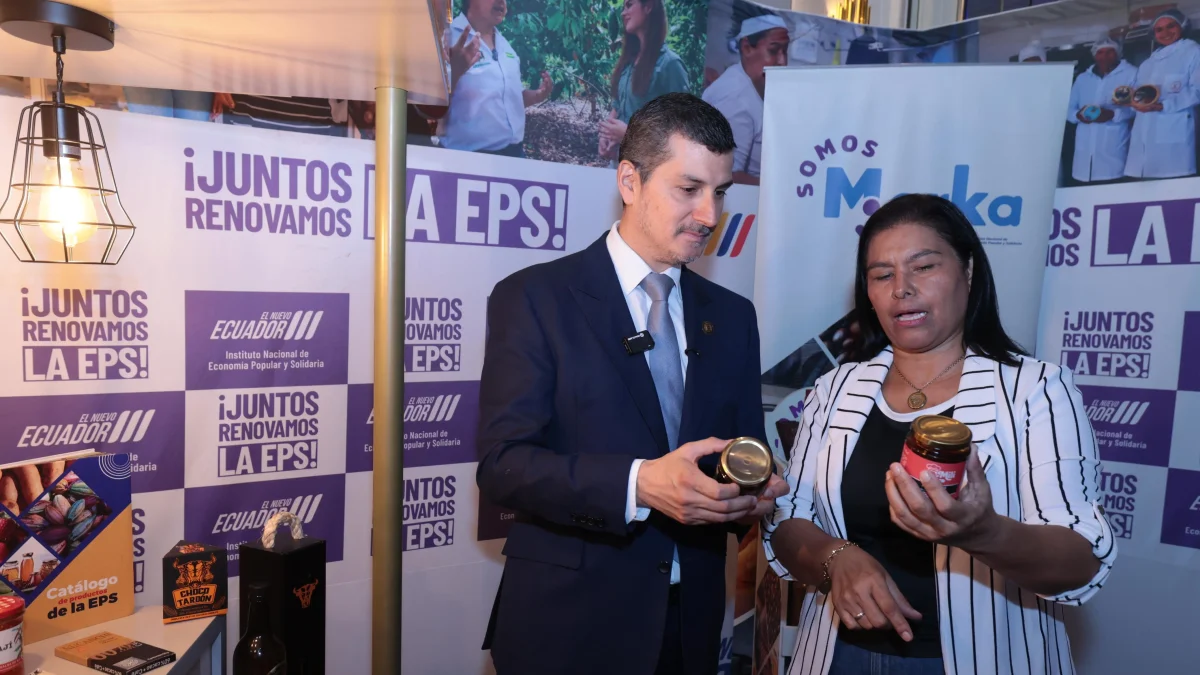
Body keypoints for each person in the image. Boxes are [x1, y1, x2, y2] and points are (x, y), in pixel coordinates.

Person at [477, 92, 788, 675]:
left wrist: (753, 492)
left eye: (720, 192)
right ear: (629, 180)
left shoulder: (733, 316)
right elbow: (503, 465)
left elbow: (744, 451)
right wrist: (639, 484)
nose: (710, 215)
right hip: (565, 629)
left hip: (688, 628)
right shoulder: (535, 299)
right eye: (688, 189)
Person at [761, 194, 1117, 675]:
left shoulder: (1035, 391)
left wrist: (984, 532)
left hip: (989, 660)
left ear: (967, 272)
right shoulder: (834, 389)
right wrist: (834, 557)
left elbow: (1081, 560)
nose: (901, 290)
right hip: (836, 657)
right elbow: (787, 520)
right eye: (882, 275)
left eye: (923, 267)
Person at [442, 0, 553, 157]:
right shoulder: (448, 40)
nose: (502, 2)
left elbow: (505, 100)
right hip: (467, 161)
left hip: (514, 155)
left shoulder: (506, 47)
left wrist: (536, 96)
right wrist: (455, 73)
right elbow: (429, 107)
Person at [701, 8, 789, 185]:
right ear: (747, 47)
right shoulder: (735, 99)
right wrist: (781, 188)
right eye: (773, 51)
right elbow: (727, 176)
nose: (782, 61)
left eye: (785, 50)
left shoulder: (751, 82)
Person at [599, 0, 690, 162]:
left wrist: (629, 134)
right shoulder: (629, 60)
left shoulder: (670, 65)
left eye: (629, 5)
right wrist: (605, 137)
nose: (623, 13)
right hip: (620, 165)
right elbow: (618, 106)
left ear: (648, 7)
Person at [1124, 9, 1200, 179]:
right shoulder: (1148, 62)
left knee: (1174, 186)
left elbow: (1197, 90)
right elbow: (1138, 94)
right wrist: (1132, 102)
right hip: (1143, 136)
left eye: (1171, 26)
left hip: (1174, 133)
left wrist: (1163, 105)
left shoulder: (1193, 51)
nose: (1165, 33)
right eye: (1159, 29)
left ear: (1182, 26)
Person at [1066, 37, 1137, 184]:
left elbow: (1138, 108)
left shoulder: (1132, 74)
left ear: (1118, 54)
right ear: (1094, 55)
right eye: (1100, 52)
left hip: (1114, 155)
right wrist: (1078, 116)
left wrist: (1112, 114)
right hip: (1083, 160)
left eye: (1110, 52)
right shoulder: (1083, 78)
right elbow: (1068, 109)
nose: (1104, 57)